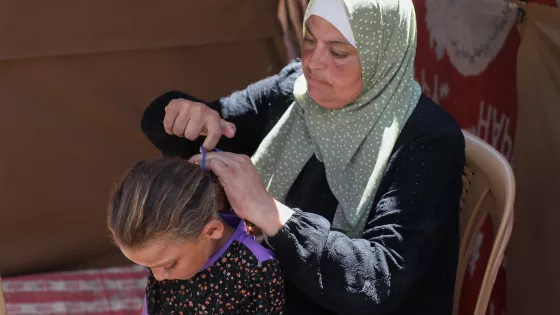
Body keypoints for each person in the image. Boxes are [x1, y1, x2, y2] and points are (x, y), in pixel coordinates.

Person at [141, 0, 465, 314]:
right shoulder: (295, 91)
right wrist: (182, 112)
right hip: (276, 294)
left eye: (338, 53)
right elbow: (208, 126)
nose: (313, 63)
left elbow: (375, 281)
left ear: (384, 55)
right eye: (309, 39)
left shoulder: (427, 141)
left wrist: (271, 214)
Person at [107, 158, 285, 314]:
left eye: (169, 266)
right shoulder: (163, 259)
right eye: (148, 268)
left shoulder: (256, 269)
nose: (158, 277)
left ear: (212, 231)